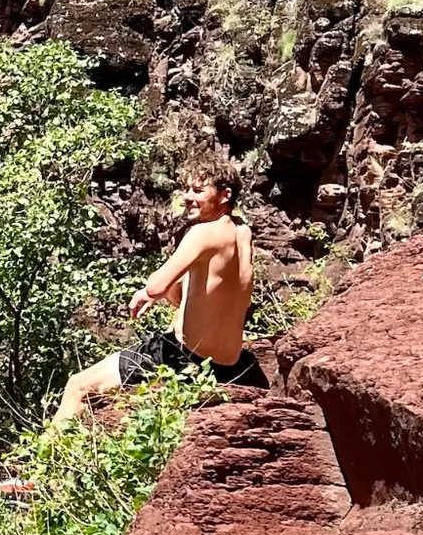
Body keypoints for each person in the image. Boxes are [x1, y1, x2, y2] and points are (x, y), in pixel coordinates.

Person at [51, 160, 269, 425]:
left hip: (185, 357)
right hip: (228, 363)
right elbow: (206, 291)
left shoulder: (204, 232)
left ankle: (45, 459)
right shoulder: (242, 233)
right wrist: (168, 293)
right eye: (187, 189)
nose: (187, 197)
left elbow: (157, 285)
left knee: (78, 387)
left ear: (225, 195)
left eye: (199, 190)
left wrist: (148, 292)